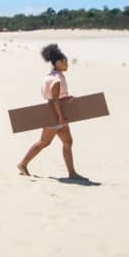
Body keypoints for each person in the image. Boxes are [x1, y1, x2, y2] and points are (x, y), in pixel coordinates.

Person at [18, 44, 87, 179]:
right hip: (54, 114)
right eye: (65, 62)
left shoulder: (52, 76)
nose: (67, 64)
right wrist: (60, 117)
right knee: (44, 142)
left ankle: (72, 173)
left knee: (68, 142)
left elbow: (57, 96)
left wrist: (67, 98)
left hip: (58, 112)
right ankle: (23, 164)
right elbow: (54, 99)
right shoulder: (56, 78)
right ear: (58, 62)